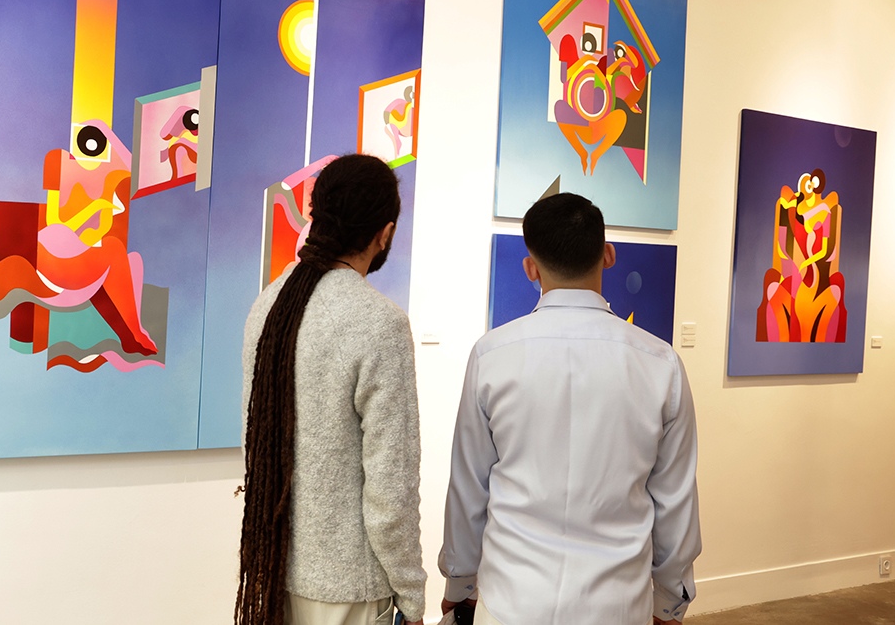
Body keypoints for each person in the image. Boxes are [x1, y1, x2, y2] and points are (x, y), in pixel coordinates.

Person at [439, 193, 700, 625]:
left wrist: (460, 584)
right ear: (608, 255)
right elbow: (674, 501)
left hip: (511, 603)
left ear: (530, 268)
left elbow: (469, 489)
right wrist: (671, 601)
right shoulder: (661, 363)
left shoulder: (492, 354)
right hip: (618, 607)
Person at [236, 153, 426, 625]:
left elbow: (254, 442)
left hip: (276, 573)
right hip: (350, 592)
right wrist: (412, 594)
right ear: (385, 233)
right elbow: (391, 490)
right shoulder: (380, 323)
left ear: (316, 215)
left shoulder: (268, 304)